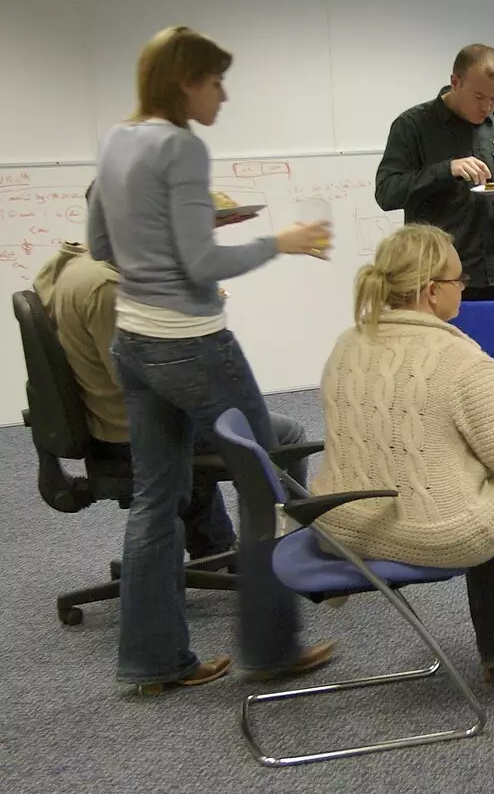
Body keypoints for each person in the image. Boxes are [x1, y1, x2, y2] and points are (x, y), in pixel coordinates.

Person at [88, 25, 335, 694]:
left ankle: (154, 660)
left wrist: (162, 259)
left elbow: (100, 243)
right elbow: (202, 264)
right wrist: (279, 242)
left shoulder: (116, 138)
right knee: (263, 479)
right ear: (182, 82)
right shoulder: (181, 146)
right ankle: (270, 648)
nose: (224, 94)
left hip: (132, 342)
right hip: (191, 344)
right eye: (215, 80)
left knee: (153, 501)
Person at [311, 224, 494, 682]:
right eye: (458, 281)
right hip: (426, 533)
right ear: (430, 292)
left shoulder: (349, 343)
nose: (464, 288)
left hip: (337, 521)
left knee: (479, 468)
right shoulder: (460, 361)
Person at [33, 237, 310, 563]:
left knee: (217, 420)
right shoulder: (106, 289)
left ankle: (215, 549)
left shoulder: (75, 265)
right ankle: (283, 550)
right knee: (286, 434)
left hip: (107, 417)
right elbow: (136, 380)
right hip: (132, 430)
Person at [376, 44, 494, 302]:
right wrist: (446, 170)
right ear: (455, 82)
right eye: (479, 97)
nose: (487, 107)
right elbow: (386, 193)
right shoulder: (413, 126)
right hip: (437, 278)